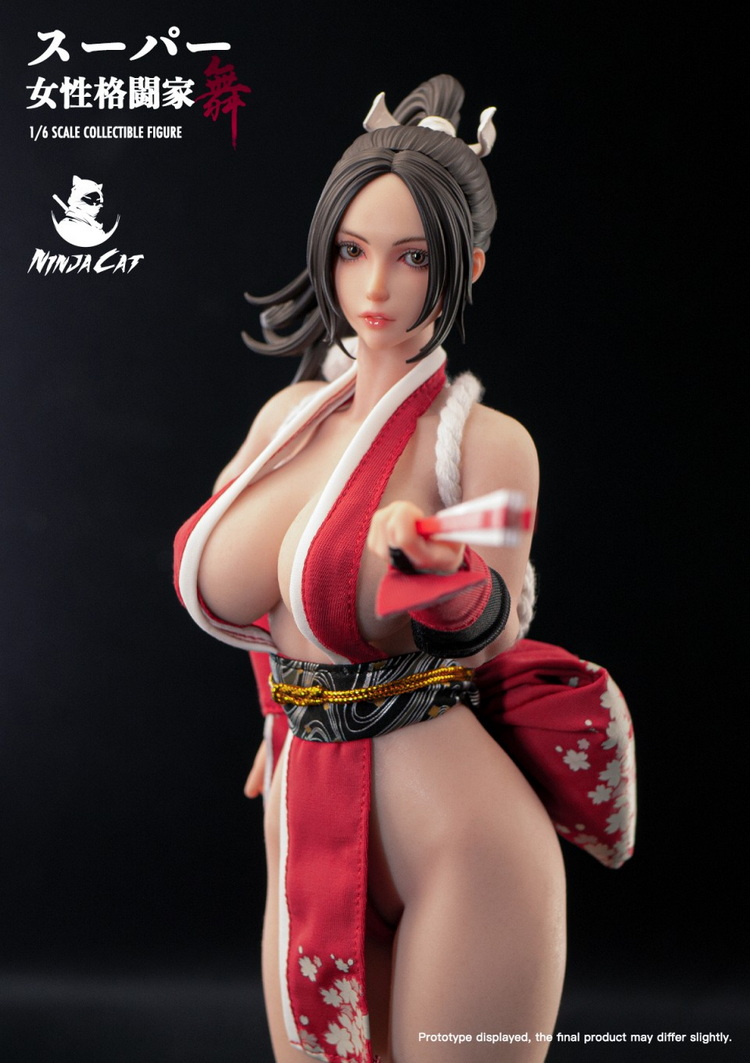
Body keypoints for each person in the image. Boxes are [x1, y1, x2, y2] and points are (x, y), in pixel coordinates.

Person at [174, 74, 634, 1063]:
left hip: (457, 833)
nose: (374, 287)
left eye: (412, 256)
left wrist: (437, 570)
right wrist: (275, 713)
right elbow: (267, 610)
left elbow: (496, 616)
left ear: (467, 263)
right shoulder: (283, 424)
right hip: (305, 807)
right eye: (352, 251)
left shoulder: (485, 443)